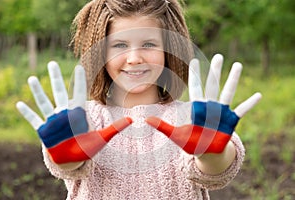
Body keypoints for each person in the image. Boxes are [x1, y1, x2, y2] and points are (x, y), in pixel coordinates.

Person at [16, 0, 262, 199]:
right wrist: (67, 155)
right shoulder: (83, 119)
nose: (134, 58)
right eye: (120, 45)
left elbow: (216, 171)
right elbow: (68, 166)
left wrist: (211, 152)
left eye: (148, 44)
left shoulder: (193, 118)